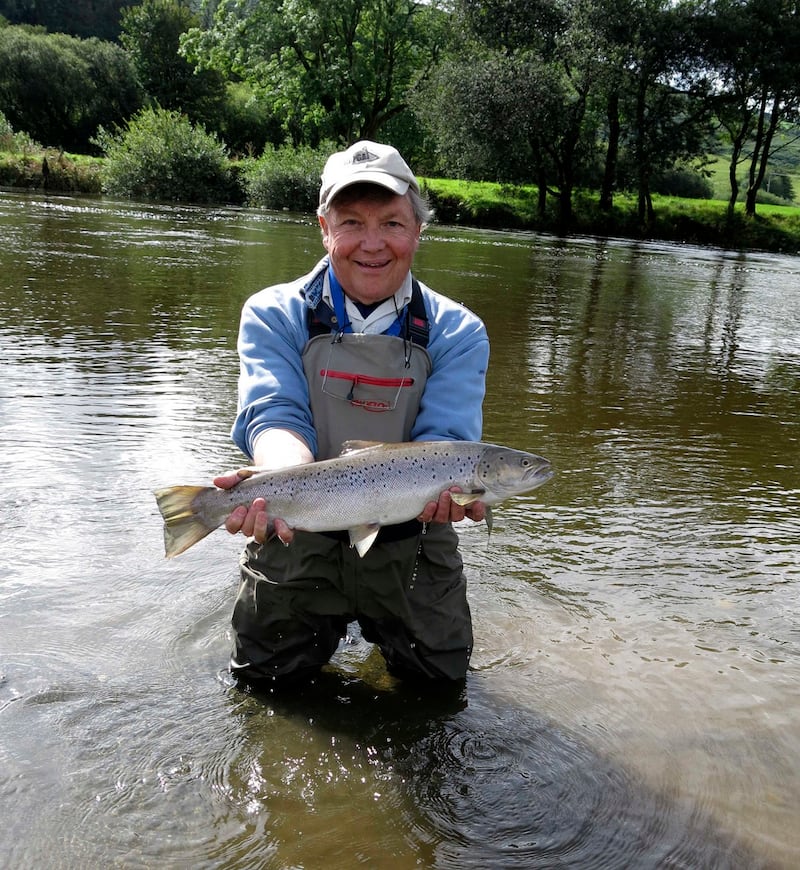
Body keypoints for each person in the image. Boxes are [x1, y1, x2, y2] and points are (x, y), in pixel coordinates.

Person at [214, 140, 490, 688]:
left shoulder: (458, 331)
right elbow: (275, 415)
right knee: (267, 692)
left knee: (439, 692)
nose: (371, 244)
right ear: (324, 226)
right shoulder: (273, 313)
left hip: (413, 542)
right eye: (351, 222)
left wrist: (452, 497)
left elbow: (444, 442)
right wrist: (273, 486)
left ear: (417, 230)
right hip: (299, 532)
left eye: (391, 222)